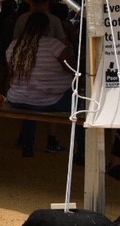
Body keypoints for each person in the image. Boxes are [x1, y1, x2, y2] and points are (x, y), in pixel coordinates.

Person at [4, 13, 73, 157]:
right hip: (49, 100)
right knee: (81, 108)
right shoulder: (54, 45)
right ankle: (81, 152)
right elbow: (72, 68)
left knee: (31, 103)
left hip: (16, 98)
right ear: (47, 28)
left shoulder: (14, 45)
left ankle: (27, 145)